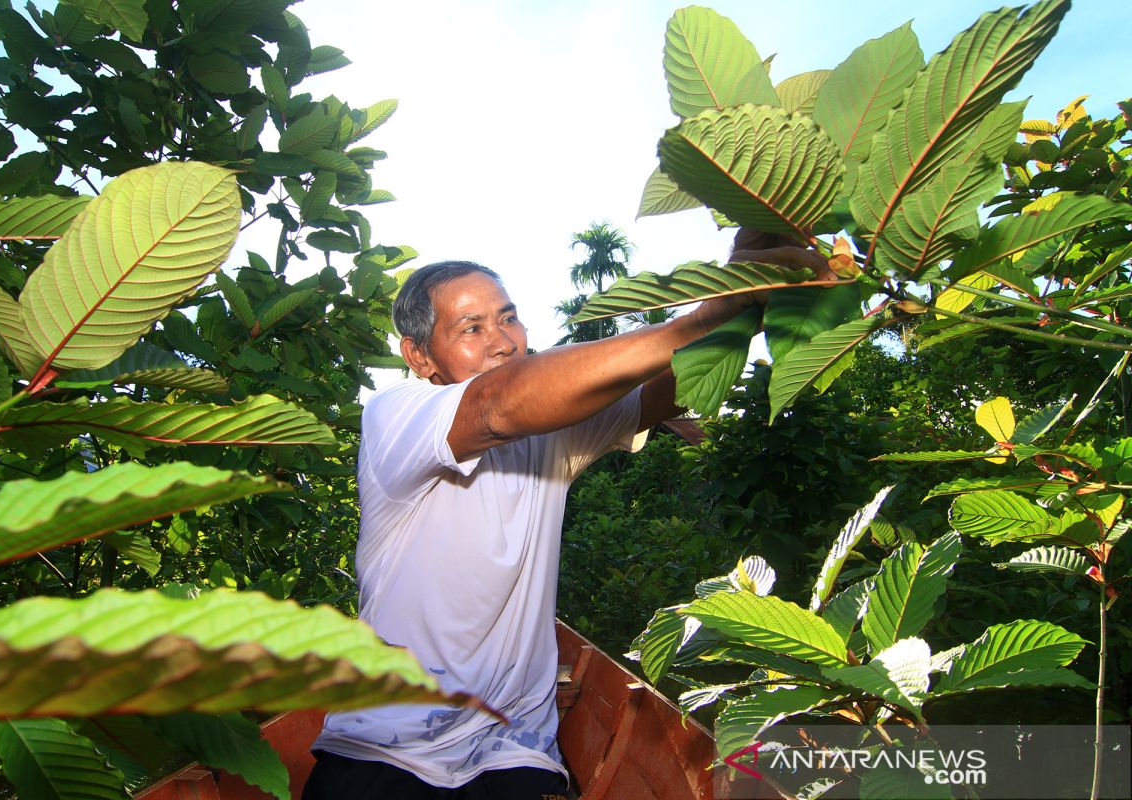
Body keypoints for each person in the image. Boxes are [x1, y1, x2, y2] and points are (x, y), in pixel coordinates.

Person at [303, 232, 831, 799]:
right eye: (472, 328)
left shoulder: (554, 429)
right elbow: (496, 404)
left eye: (508, 319)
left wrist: (745, 288)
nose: (502, 341)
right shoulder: (397, 415)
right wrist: (701, 317)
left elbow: (667, 390)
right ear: (419, 357)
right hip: (386, 750)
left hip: (513, 751)